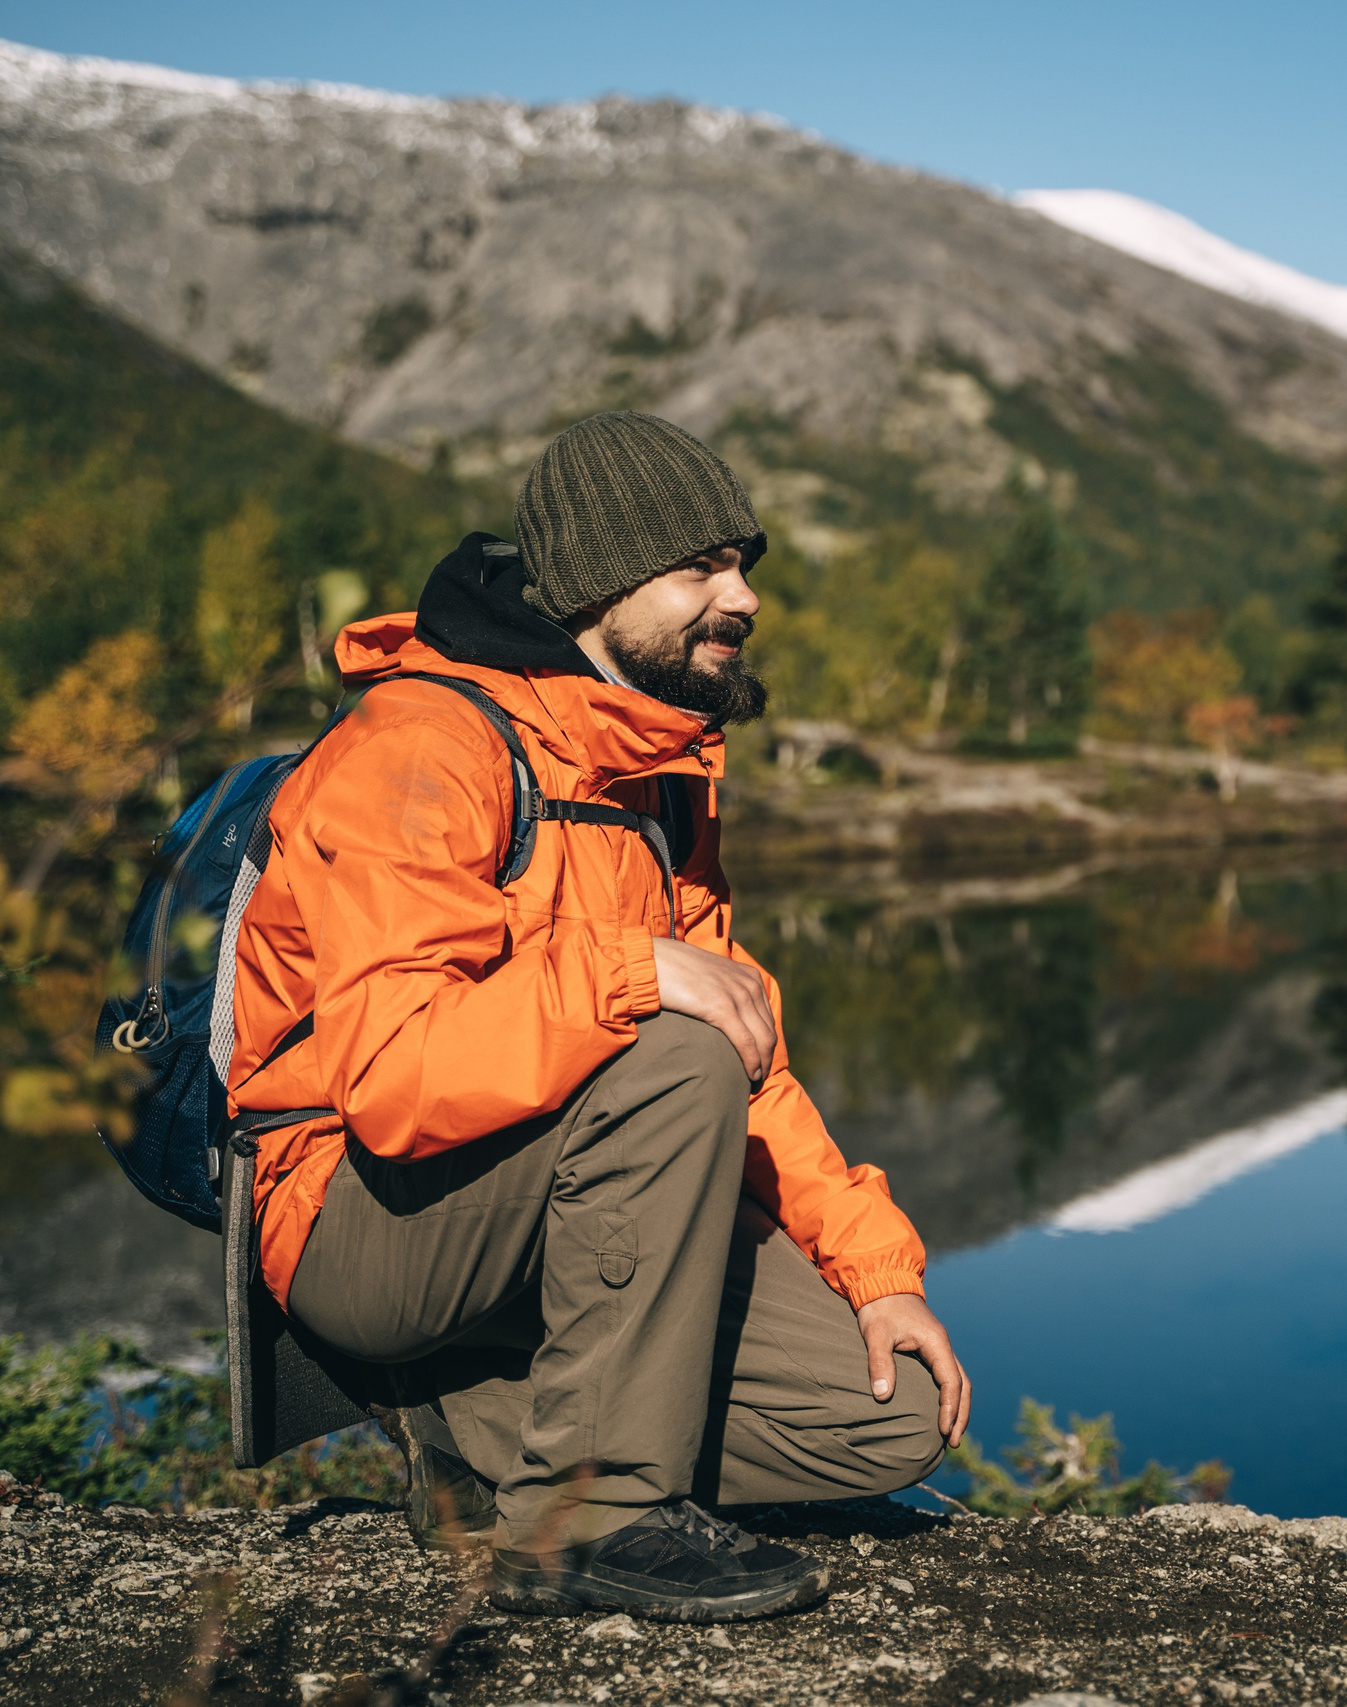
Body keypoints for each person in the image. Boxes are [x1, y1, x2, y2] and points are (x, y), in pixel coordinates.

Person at [223, 411, 970, 1623]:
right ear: (594, 588)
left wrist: (876, 1269)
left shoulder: (655, 777)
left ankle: (466, 1429)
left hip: (555, 1210)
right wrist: (629, 975)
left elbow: (748, 1049)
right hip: (361, 1219)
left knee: (873, 1423)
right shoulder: (418, 753)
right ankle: (591, 1522)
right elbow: (397, 1085)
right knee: (666, 1048)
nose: (743, 597)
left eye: (746, 564)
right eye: (700, 568)